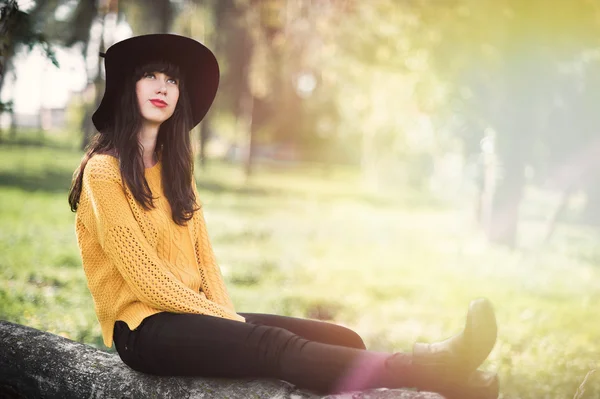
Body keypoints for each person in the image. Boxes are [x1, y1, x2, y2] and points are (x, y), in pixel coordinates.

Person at [68, 34, 499, 399]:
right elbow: (146, 280)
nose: (163, 87)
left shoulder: (177, 168)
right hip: (144, 331)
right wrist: (231, 325)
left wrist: (227, 319)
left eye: (173, 79)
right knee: (272, 345)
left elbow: (204, 263)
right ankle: (432, 367)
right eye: (150, 76)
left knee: (341, 339)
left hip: (194, 316)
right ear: (129, 86)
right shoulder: (104, 172)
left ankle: (463, 386)